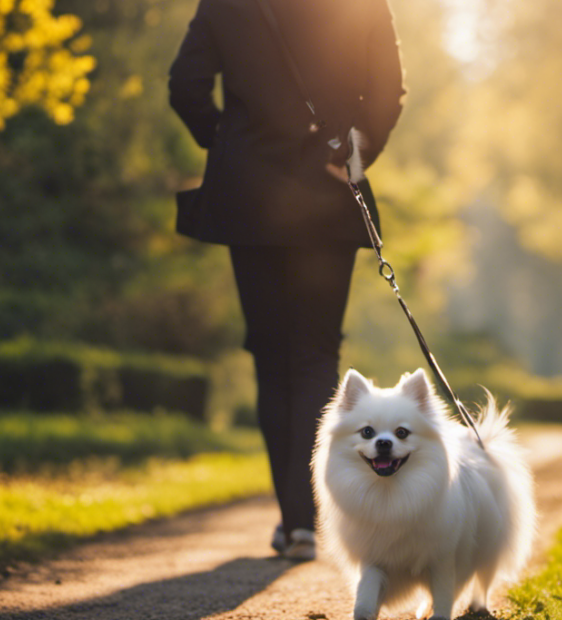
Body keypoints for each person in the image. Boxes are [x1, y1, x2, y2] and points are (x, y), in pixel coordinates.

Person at [168, 0, 405, 560]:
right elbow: (388, 89)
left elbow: (185, 86)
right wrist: (358, 149)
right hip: (327, 189)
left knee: (271, 354)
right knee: (316, 351)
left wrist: (227, 145)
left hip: (248, 197)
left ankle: (294, 519)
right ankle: (309, 519)